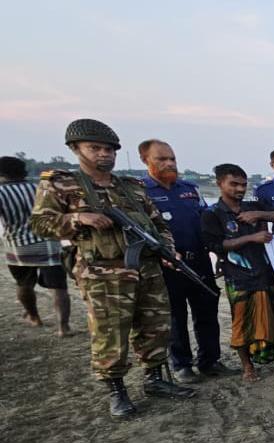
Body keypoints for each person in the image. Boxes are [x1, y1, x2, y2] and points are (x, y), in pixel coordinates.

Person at [31, 118, 196, 418]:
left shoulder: (131, 187)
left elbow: (157, 223)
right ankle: (117, 391)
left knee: (156, 326)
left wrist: (167, 249)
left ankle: (156, 379)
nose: (104, 154)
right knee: (110, 333)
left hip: (146, 268)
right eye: (95, 148)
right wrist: (80, 219)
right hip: (102, 273)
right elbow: (40, 224)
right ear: (75, 149)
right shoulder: (61, 183)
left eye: (109, 149)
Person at [201, 163, 274, 382]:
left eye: (243, 184)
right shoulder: (212, 213)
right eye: (234, 184)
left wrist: (257, 214)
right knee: (243, 322)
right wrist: (251, 238)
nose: (239, 189)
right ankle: (247, 366)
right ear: (220, 184)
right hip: (239, 275)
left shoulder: (253, 205)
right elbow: (215, 245)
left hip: (266, 270)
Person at [138, 139, 228, 382]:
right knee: (175, 317)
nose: (169, 163)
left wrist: (218, 253)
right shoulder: (140, 192)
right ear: (145, 161)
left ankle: (210, 360)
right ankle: (182, 364)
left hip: (199, 260)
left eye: (172, 159)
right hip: (166, 265)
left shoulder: (189, 188)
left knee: (207, 312)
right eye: (162, 159)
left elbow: (205, 222)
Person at [1, 155, 72, 335]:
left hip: (18, 246)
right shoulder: (40, 188)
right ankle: (63, 327)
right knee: (59, 287)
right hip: (50, 244)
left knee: (24, 284)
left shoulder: (2, 193)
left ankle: (34, 317)